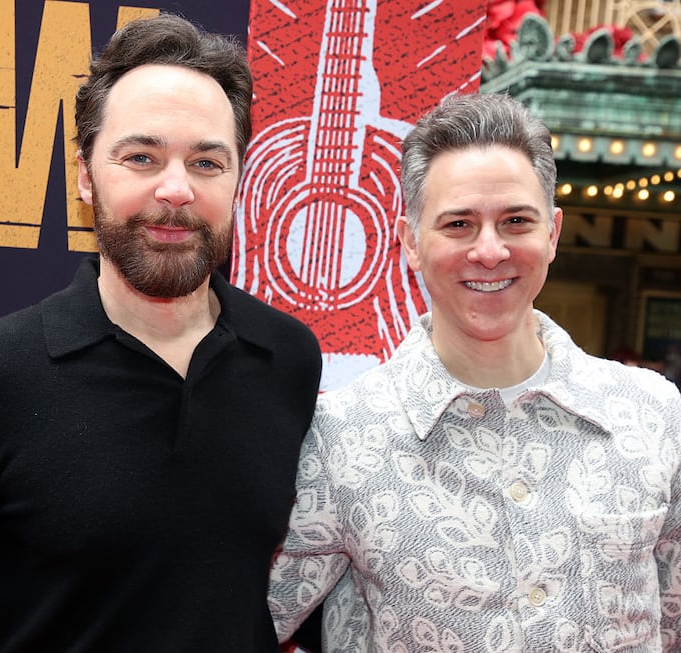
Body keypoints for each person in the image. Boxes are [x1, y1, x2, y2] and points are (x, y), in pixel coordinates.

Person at [0, 14, 321, 652]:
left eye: (206, 161)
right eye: (141, 157)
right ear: (87, 175)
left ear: (237, 180)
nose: (175, 189)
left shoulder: (289, 358)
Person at [268, 93, 681, 652]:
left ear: (552, 234)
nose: (490, 251)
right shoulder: (339, 438)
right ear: (411, 241)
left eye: (516, 221)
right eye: (459, 224)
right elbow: (247, 620)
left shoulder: (654, 415)